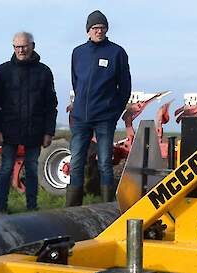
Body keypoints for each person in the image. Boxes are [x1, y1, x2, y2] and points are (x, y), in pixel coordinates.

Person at [67, 10, 131, 207]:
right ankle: (73, 208)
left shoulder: (116, 53)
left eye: (102, 28)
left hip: (104, 118)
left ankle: (107, 208)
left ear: (106, 30)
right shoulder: (78, 53)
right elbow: (76, 82)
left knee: (105, 163)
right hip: (80, 118)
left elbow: (125, 87)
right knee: (76, 162)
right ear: (88, 31)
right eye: (95, 28)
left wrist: (114, 111)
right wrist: (77, 106)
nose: (99, 31)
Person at [0, 31, 57, 215]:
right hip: (9, 129)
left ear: (32, 46)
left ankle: (32, 208)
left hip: (35, 129)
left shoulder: (44, 72)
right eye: (17, 47)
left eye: (24, 46)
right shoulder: (2, 71)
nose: (21, 50)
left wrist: (49, 131)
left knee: (32, 169)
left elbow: (51, 104)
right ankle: (0, 208)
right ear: (13, 48)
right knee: (6, 169)